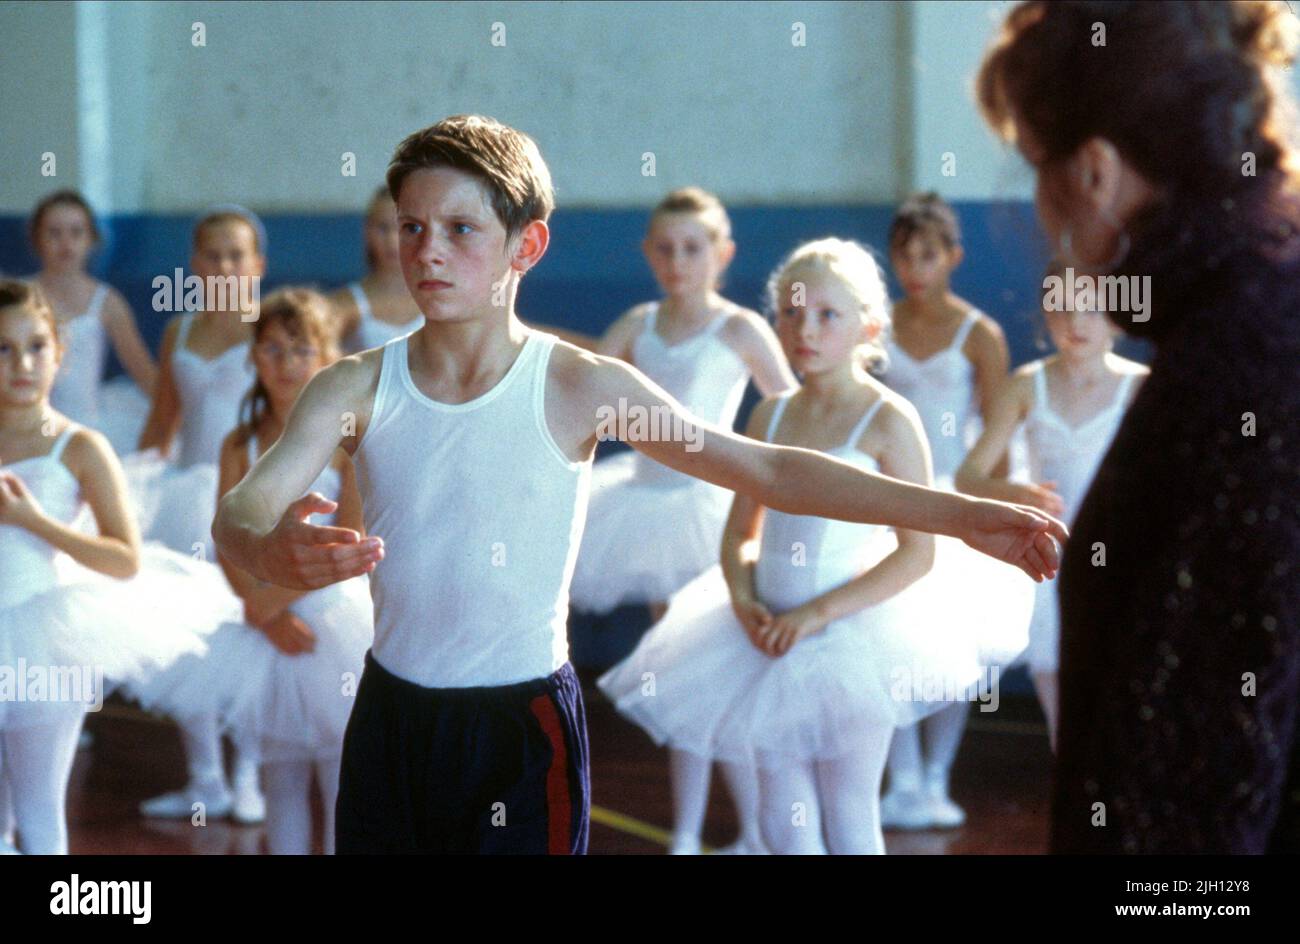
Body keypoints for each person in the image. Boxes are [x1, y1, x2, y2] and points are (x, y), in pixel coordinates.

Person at [212, 114, 1066, 855]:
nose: (427, 251)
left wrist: (957, 516)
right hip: (390, 723)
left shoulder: (580, 386)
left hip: (523, 730)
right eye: (411, 227)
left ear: (528, 244)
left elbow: (764, 466)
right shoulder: (353, 385)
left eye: (460, 229)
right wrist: (263, 547)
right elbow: (243, 506)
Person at [977, 0, 1300, 852]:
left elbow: (1188, 806)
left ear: (1093, 172)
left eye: (1032, 165)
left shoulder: (1235, 373)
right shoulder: (1252, 314)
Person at [601, 238, 1033, 854]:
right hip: (765, 636)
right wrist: (744, 594)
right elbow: (739, 537)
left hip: (848, 637)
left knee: (850, 812)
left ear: (869, 325)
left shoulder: (887, 419)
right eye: (791, 312)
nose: (805, 328)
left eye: (828, 314)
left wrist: (815, 614)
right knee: (783, 820)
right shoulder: (770, 416)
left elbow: (918, 553)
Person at [0, 280, 235, 853]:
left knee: (38, 812)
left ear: (60, 352)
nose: (22, 363)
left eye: (35, 346)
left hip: (40, 636)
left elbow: (124, 558)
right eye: (3, 349)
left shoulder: (79, 446)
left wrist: (32, 520)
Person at [956, 259, 1147, 750]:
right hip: (1052, 560)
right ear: (1046, 314)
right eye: (1061, 307)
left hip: (1121, 558)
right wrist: (1014, 492)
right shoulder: (1026, 384)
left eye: (1090, 307)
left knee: (1120, 692)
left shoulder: (1140, 386)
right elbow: (968, 475)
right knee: (1057, 688)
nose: (1075, 321)